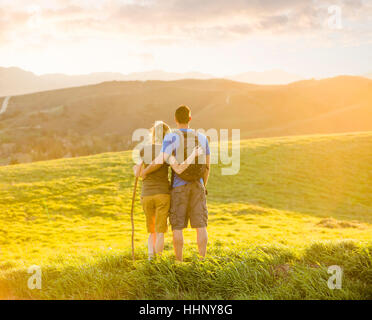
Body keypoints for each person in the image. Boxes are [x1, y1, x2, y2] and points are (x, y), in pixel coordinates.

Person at [142, 106, 211, 262]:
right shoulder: (202, 137)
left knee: (177, 226)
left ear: (175, 119)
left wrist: (145, 171)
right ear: (190, 119)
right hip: (198, 184)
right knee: (201, 225)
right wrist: (203, 185)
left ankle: (179, 261)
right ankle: (202, 261)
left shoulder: (170, 138)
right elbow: (207, 166)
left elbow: (161, 160)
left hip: (179, 186)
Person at [133, 121, 202, 260]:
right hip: (162, 194)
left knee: (151, 231)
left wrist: (144, 171)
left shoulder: (144, 150)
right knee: (160, 232)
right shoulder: (168, 151)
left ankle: (150, 260)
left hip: (146, 194)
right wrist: (193, 155)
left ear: (153, 133)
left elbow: (137, 173)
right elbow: (179, 168)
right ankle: (157, 263)